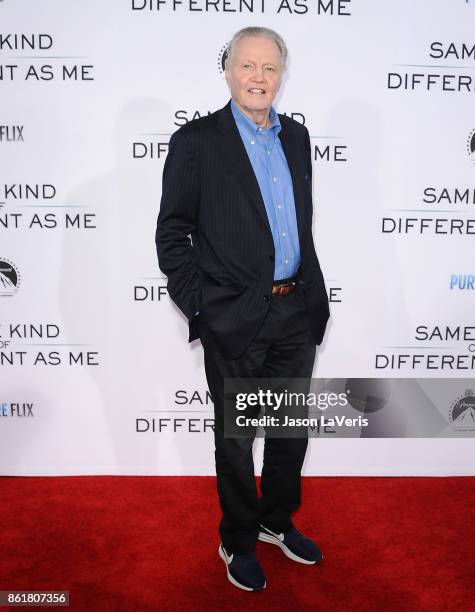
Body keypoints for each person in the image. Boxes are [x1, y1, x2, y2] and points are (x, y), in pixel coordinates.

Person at [155, 26, 330, 592]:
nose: (259, 78)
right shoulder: (197, 142)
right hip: (235, 317)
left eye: (270, 68)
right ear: (227, 70)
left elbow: (296, 227)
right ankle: (237, 538)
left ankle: (276, 522)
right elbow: (172, 234)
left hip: (295, 310)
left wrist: (307, 295)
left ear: (282, 74)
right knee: (236, 437)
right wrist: (202, 306)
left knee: (288, 431)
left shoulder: (297, 139)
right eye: (248, 66)